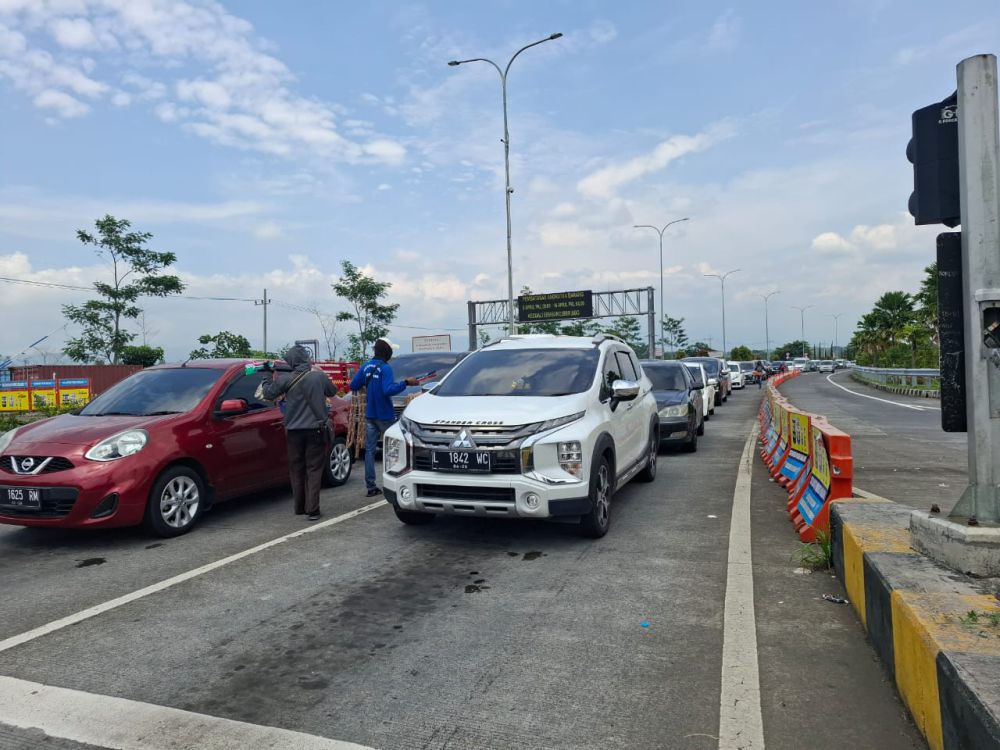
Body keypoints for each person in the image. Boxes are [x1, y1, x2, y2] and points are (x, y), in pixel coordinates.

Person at [262, 345, 338, 521]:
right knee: (314, 469)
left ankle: (299, 507)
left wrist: (266, 375)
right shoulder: (318, 376)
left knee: (297, 469)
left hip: (294, 432)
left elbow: (268, 394)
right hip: (316, 430)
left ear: (291, 362)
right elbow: (332, 392)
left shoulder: (285, 379)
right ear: (306, 359)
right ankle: (313, 510)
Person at [350, 339, 418, 497]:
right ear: (387, 351)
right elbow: (388, 390)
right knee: (396, 449)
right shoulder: (386, 368)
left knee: (370, 451)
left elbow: (353, 385)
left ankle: (371, 487)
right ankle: (396, 482)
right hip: (385, 416)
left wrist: (369, 387)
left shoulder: (366, 366)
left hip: (370, 415)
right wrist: (405, 383)